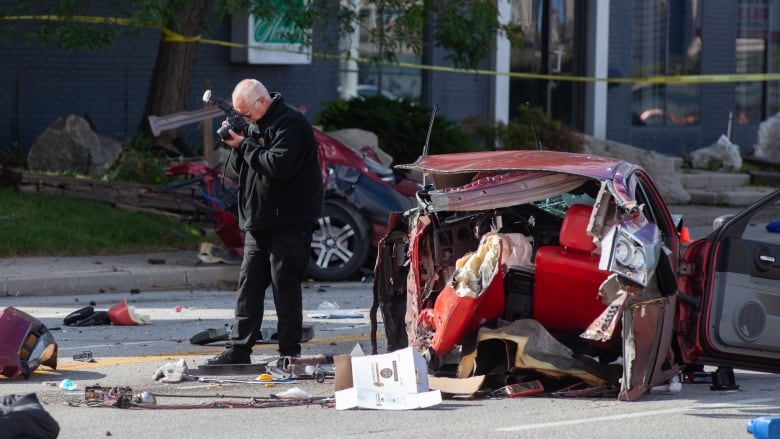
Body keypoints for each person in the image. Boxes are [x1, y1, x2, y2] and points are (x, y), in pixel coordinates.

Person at [207, 79, 324, 364]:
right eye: (241, 115)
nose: (245, 119)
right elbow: (237, 169)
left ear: (261, 102)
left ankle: (288, 351)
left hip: (290, 220)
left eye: (247, 114)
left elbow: (278, 166)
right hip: (258, 220)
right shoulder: (253, 124)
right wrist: (237, 144)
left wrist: (245, 144)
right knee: (249, 285)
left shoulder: (290, 123)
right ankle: (239, 348)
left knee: (284, 286)